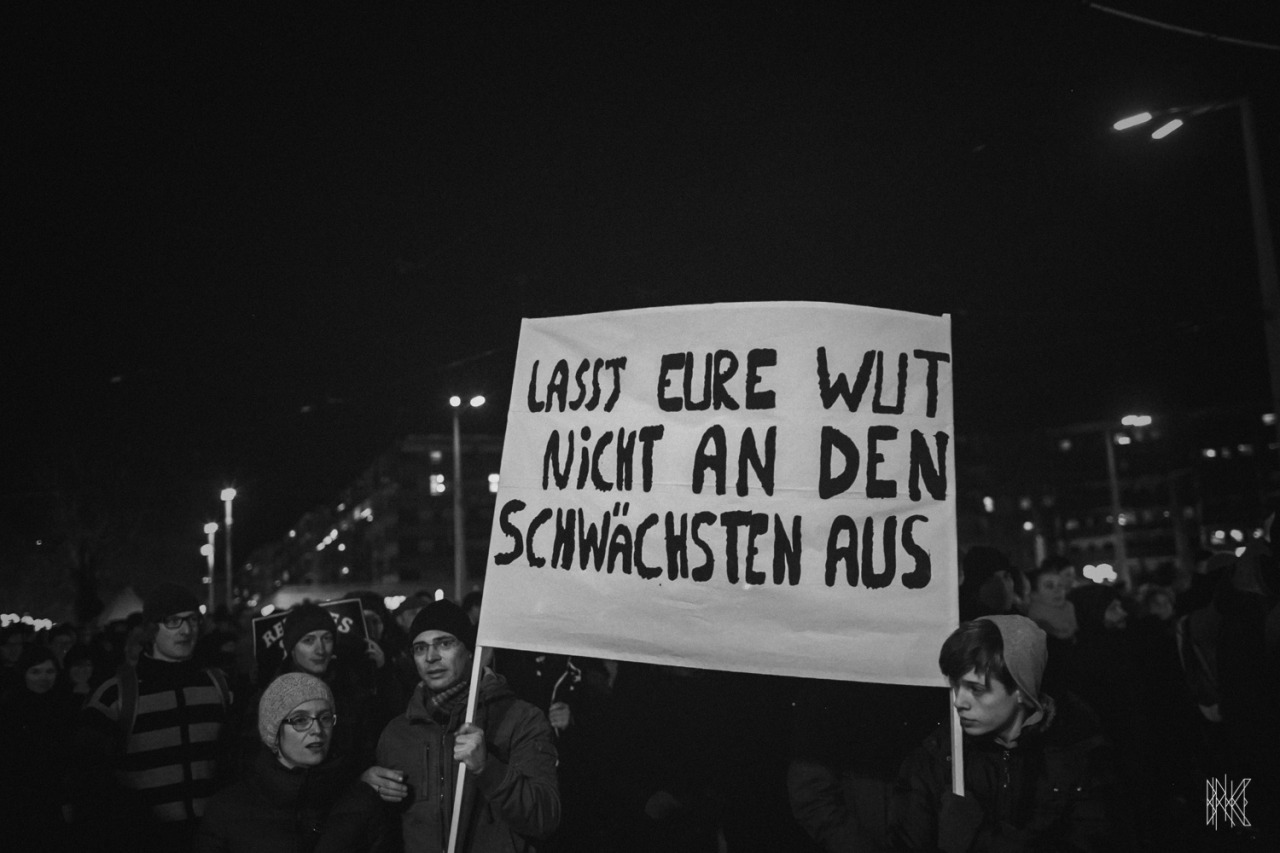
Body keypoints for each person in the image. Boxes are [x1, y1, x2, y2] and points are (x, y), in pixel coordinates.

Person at [891, 615, 1127, 852]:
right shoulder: (937, 757)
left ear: (1021, 690)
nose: (959, 702)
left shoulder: (1077, 755)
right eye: (955, 686)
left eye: (976, 689)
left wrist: (979, 838)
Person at [370, 599, 560, 852]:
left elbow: (544, 818)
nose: (431, 657)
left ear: (470, 650)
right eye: (420, 648)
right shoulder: (397, 733)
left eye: (445, 644)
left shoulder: (520, 719)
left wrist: (487, 768)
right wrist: (367, 790)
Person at [70, 582, 234, 852]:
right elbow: (88, 778)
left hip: (212, 839)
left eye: (192, 620)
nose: (186, 630)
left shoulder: (220, 686)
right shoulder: (115, 694)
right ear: (150, 629)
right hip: (143, 840)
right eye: (173, 621)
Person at [196, 672, 384, 852]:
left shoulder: (360, 801)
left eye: (325, 718)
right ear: (274, 730)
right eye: (300, 720)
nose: (317, 730)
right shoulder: (228, 809)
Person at [0, 644, 81, 848]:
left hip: (55, 796)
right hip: (17, 797)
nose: (43, 677)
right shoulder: (10, 709)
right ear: (24, 673)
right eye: (35, 671)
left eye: (49, 671)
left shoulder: (64, 706)